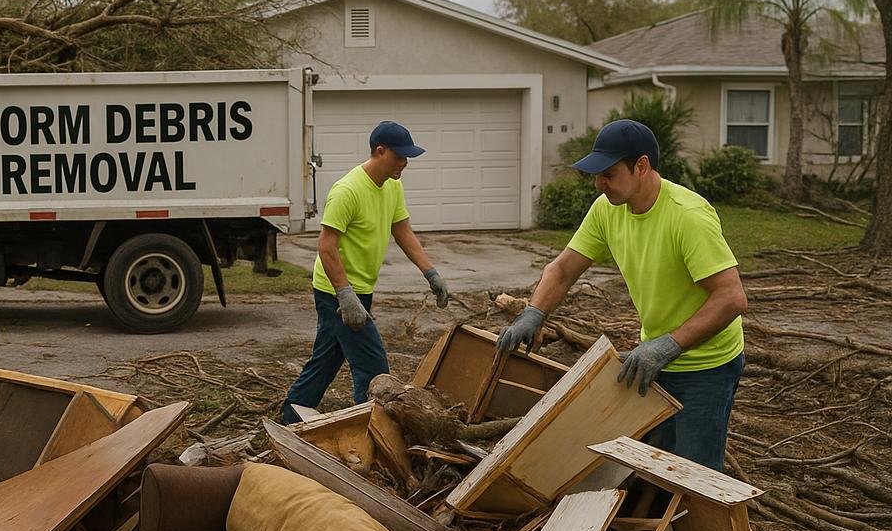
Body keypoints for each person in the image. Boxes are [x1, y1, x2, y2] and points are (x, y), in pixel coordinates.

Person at [496, 119, 747, 471]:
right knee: (651, 468)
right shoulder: (607, 209)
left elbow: (731, 298)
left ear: (641, 166)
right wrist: (534, 313)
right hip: (652, 359)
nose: (599, 184)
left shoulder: (688, 216)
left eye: (609, 174)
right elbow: (563, 268)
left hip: (706, 368)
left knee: (696, 476)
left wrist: (668, 345)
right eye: (597, 175)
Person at [280, 121, 451, 424]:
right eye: (400, 156)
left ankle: (292, 415)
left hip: (361, 289)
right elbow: (326, 245)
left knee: (328, 358)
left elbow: (403, 231)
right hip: (337, 289)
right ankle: (370, 426)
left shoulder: (392, 186)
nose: (405, 163)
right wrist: (345, 296)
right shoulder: (347, 190)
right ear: (380, 151)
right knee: (373, 366)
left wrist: (430, 273)